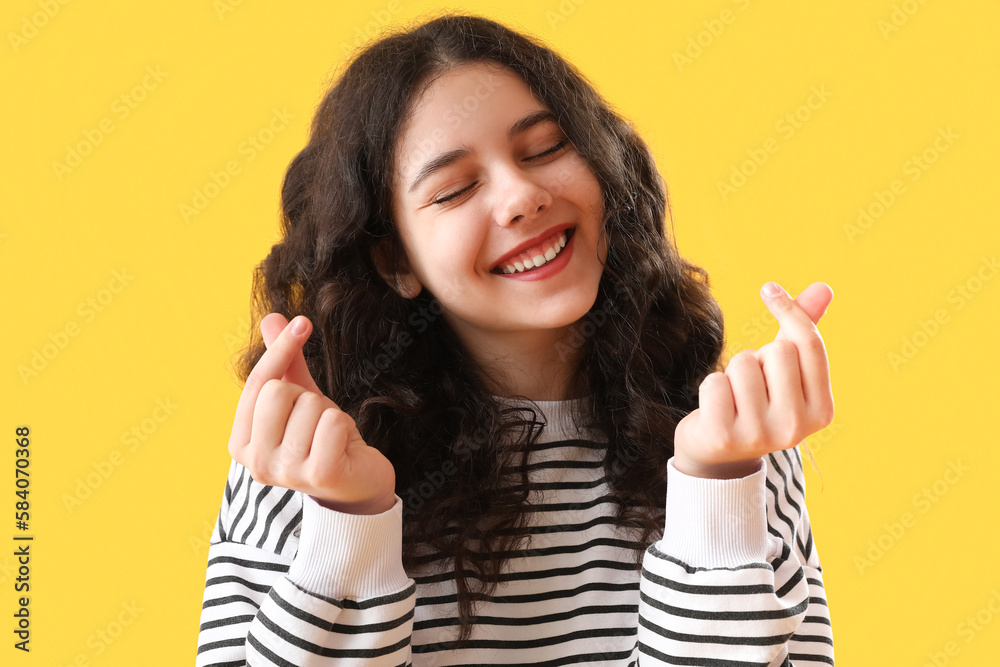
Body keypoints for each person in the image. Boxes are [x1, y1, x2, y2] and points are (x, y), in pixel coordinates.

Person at [196, 12, 836, 666]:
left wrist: (718, 486)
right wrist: (349, 518)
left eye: (545, 149)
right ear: (396, 262)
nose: (521, 195)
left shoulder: (736, 439)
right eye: (454, 189)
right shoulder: (305, 455)